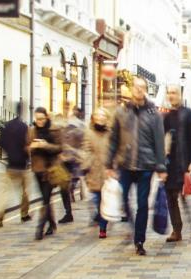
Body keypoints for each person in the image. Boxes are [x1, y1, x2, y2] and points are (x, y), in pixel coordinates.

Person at [106, 76, 167, 256]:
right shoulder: (121, 112)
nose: (138, 90)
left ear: (145, 90)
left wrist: (161, 167)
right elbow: (113, 140)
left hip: (145, 166)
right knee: (122, 200)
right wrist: (109, 163)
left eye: (142, 88)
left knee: (142, 204)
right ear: (131, 90)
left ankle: (139, 240)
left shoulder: (153, 114)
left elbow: (159, 142)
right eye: (136, 87)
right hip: (125, 164)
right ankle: (131, 226)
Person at [163, 85, 191, 243]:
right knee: (171, 198)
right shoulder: (165, 116)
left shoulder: (188, 114)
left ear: (180, 95)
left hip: (183, 162)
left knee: (184, 196)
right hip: (169, 164)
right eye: (169, 93)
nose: (171, 96)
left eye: (174, 93)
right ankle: (176, 230)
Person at [0, 101, 32, 227]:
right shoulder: (24, 127)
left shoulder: (7, 126)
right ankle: (24, 214)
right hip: (22, 165)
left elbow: (1, 142)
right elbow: (28, 145)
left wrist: (9, 153)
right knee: (24, 192)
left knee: (4, 192)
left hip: (10, 165)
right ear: (23, 111)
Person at [29, 107, 63, 240]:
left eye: (42, 119)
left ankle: (40, 228)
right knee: (45, 199)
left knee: (45, 199)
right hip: (37, 169)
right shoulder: (32, 131)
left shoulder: (54, 130)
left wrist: (45, 145)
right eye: (37, 119)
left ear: (47, 118)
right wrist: (31, 147)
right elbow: (26, 147)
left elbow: (59, 148)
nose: (39, 121)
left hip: (50, 170)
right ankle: (52, 224)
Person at [82, 107, 112, 239]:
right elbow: (86, 150)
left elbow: (115, 151)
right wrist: (86, 164)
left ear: (106, 118)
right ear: (93, 118)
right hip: (94, 171)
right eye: (97, 116)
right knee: (95, 199)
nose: (100, 118)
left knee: (104, 200)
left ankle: (103, 228)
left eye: (103, 116)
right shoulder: (88, 133)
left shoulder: (111, 133)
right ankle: (99, 218)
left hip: (107, 171)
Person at [57, 108, 86, 223]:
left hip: (75, 162)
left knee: (79, 184)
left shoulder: (78, 129)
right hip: (65, 162)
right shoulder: (61, 130)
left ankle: (98, 213)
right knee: (65, 188)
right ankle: (68, 213)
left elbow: (84, 144)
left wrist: (75, 154)